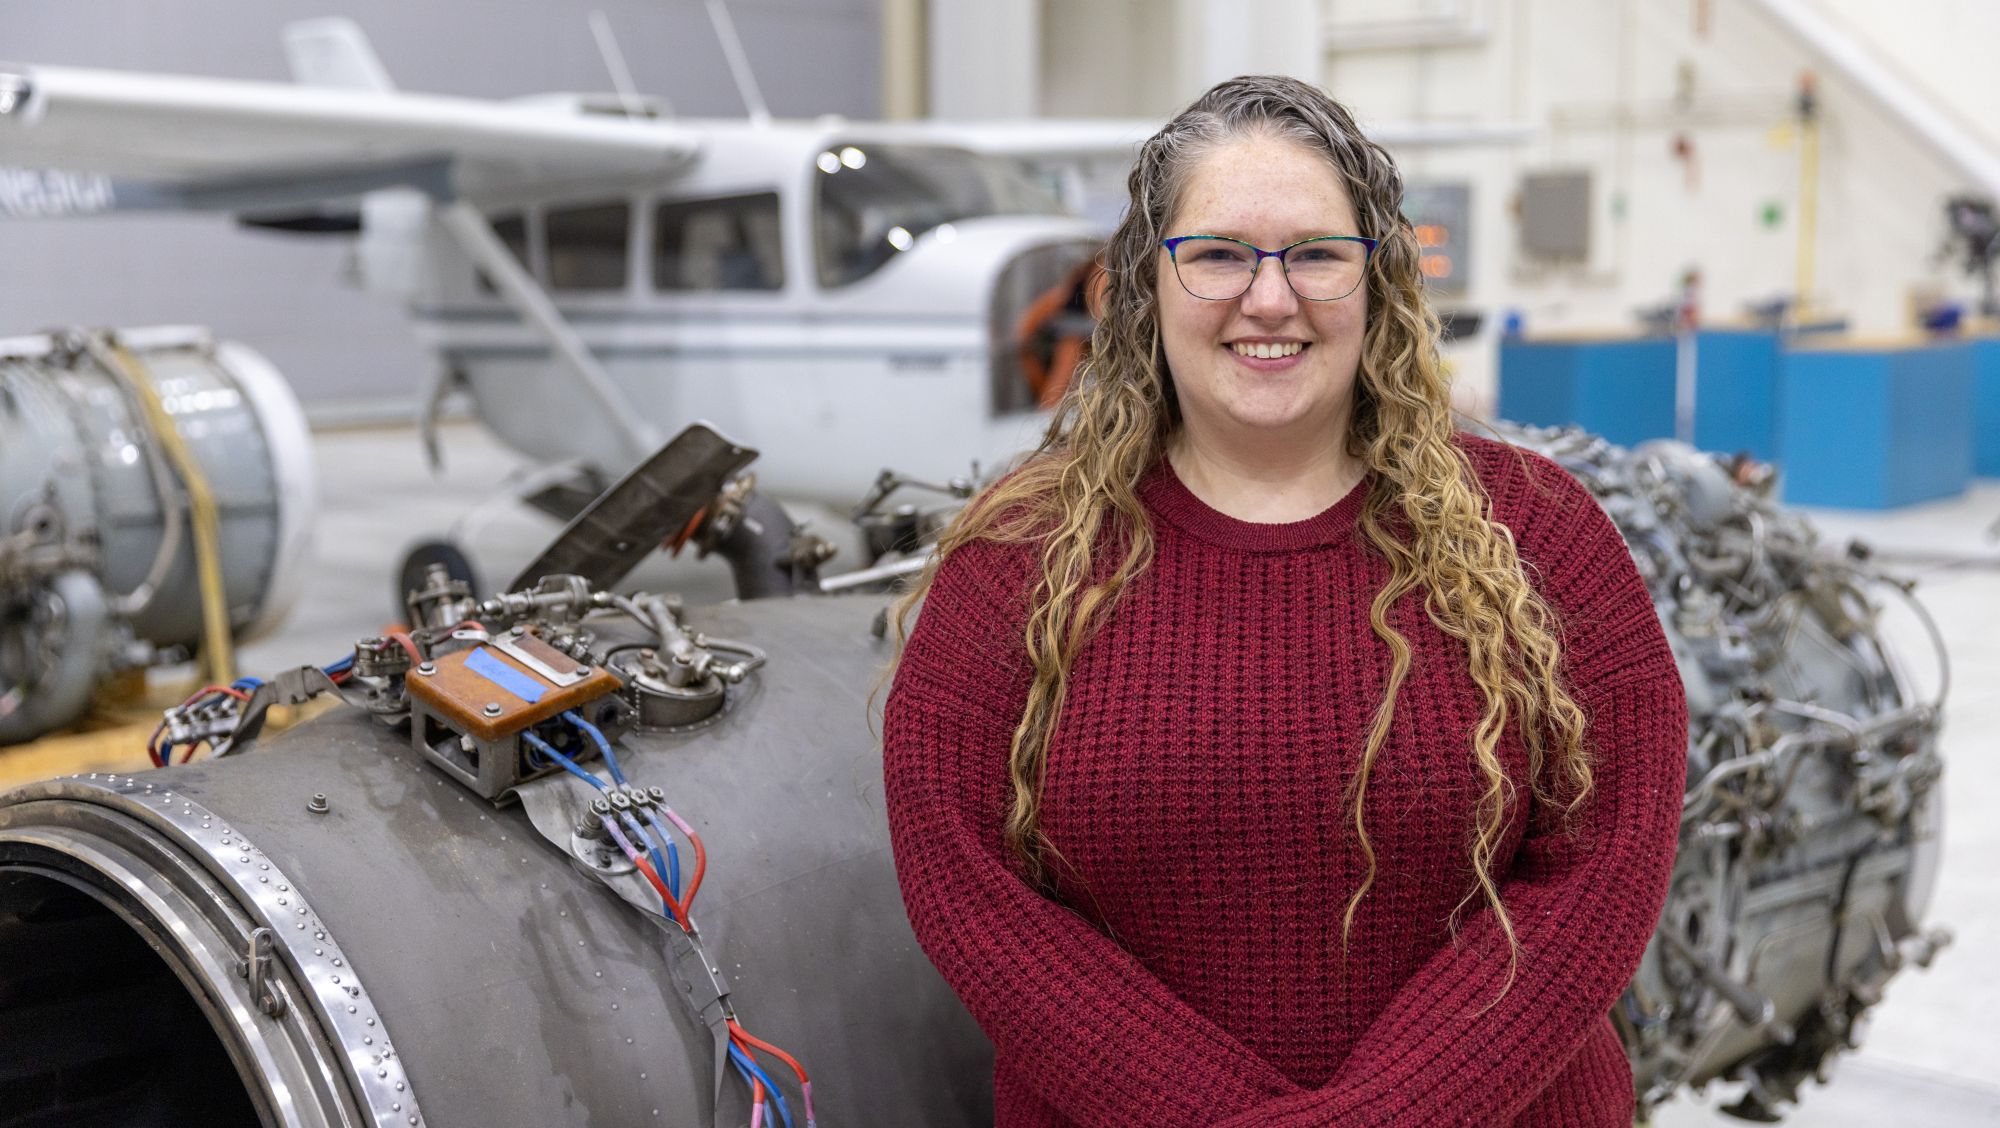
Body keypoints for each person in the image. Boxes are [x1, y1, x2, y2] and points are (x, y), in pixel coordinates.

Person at [881, 74, 1686, 1127]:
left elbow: (1598, 870)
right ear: (1145, 283)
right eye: (1216, 254)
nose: (1270, 299)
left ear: (1375, 280)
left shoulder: (1535, 532)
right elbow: (966, 888)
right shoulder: (1019, 557)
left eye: (1314, 253)